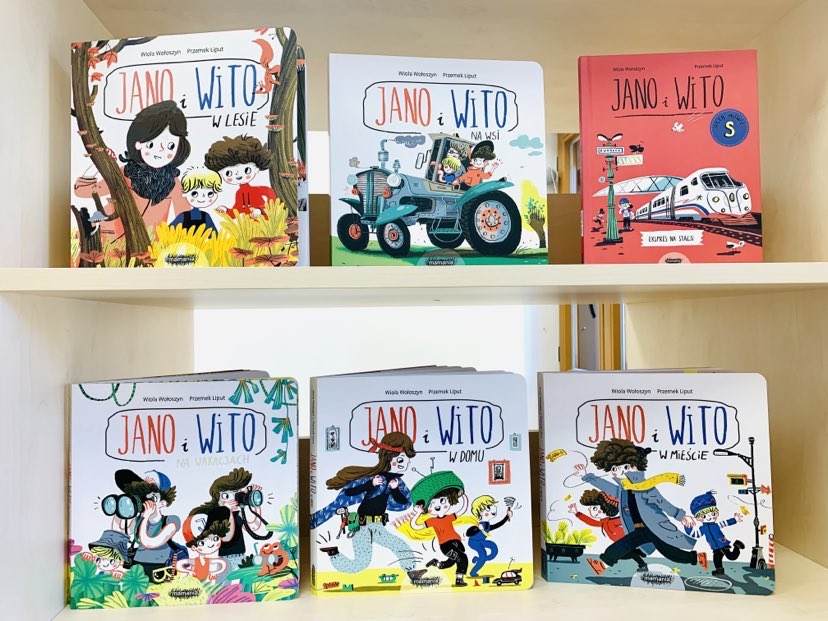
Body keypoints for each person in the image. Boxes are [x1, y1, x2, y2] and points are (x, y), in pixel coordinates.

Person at [574, 439, 706, 576]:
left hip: (655, 528)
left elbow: (662, 502)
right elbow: (607, 487)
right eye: (614, 469)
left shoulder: (646, 487)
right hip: (639, 529)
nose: (618, 472)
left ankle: (696, 557)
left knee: (670, 553)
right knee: (624, 545)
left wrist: (681, 516)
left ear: (635, 466)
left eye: (624, 467)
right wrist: (586, 476)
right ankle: (603, 564)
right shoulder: (624, 489)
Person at [312, 432, 424, 583]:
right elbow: (350, 492)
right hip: (362, 527)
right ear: (388, 458)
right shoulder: (374, 478)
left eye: (407, 460)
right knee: (361, 562)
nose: (407, 464)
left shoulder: (396, 482)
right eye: (401, 460)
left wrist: (395, 489)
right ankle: (334, 554)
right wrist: (369, 484)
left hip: (378, 526)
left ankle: (412, 572)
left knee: (399, 545)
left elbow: (403, 503)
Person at [73, 100, 192, 241]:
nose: (160, 151)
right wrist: (100, 159)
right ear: (138, 143)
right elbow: (83, 191)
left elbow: (185, 217)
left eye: (170, 146)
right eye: (151, 144)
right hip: (110, 239)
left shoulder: (173, 182)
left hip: (150, 246)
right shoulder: (125, 173)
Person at [110, 469, 185, 581]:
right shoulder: (139, 519)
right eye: (143, 497)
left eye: (152, 497)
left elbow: (150, 543)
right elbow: (121, 532)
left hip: (159, 566)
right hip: (137, 564)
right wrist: (120, 509)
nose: (146, 501)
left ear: (163, 503)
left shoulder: (172, 520)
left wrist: (145, 517)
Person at [190, 468, 270, 572]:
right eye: (226, 496)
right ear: (217, 498)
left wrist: (254, 504)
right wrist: (229, 512)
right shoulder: (216, 514)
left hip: (241, 556)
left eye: (235, 494)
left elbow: (253, 527)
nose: (232, 499)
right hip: (225, 559)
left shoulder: (236, 513)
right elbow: (226, 538)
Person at [409, 471, 470, 587]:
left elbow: (463, 509)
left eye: (442, 501)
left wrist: (463, 495)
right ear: (427, 508)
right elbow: (415, 526)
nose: (438, 507)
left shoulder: (449, 517)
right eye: (432, 504)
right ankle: (459, 580)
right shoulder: (432, 521)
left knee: (450, 562)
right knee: (462, 558)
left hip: (456, 543)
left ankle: (436, 563)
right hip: (446, 545)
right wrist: (417, 513)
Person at [568, 489, 648, 571]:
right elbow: (592, 522)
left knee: (612, 552)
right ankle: (639, 557)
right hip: (623, 545)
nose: (589, 510)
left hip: (626, 543)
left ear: (603, 508)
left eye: (594, 508)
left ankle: (601, 567)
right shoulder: (605, 522)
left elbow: (628, 520)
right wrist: (577, 513)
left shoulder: (616, 520)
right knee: (627, 554)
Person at [204, 134, 276, 219]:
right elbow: (236, 212)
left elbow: (272, 201)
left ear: (257, 169)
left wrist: (260, 210)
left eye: (246, 170)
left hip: (266, 223)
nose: (237, 175)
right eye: (228, 173)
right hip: (247, 226)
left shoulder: (261, 190)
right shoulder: (239, 193)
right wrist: (226, 210)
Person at [684, 491, 745, 575]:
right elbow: (695, 534)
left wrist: (735, 519)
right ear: (698, 518)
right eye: (704, 516)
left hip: (723, 545)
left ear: (716, 513)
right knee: (716, 559)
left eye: (712, 514)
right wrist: (687, 526)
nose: (709, 517)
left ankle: (737, 545)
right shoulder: (703, 528)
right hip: (715, 547)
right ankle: (719, 570)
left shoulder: (716, 525)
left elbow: (725, 523)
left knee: (731, 557)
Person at [176, 507, 232, 582]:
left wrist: (214, 573)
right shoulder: (195, 561)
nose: (210, 543)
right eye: (202, 543)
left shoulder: (213, 561)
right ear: (193, 547)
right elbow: (179, 564)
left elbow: (223, 564)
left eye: (215, 538)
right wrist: (189, 571)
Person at [466, 495, 512, 577]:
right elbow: (468, 533)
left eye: (493, 505)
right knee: (483, 556)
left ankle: (477, 559)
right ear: (479, 512)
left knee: (493, 547)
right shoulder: (478, 524)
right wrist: (477, 528)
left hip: (482, 541)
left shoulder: (487, 524)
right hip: (474, 543)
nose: (494, 508)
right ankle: (473, 572)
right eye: (488, 507)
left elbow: (497, 525)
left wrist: (507, 516)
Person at [169, 168, 221, 235]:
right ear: (185, 193)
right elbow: (169, 230)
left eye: (210, 194)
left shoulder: (205, 216)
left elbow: (214, 235)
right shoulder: (183, 216)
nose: (201, 197)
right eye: (194, 193)